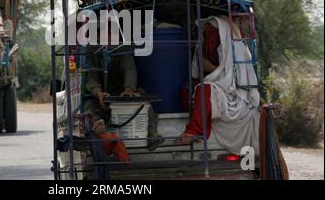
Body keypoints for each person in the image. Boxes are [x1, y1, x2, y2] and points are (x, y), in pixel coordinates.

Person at [175, 16, 260, 157]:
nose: (207, 37)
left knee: (204, 89)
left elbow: (229, 79)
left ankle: (194, 131)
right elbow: (200, 69)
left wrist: (212, 69)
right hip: (221, 86)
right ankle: (197, 124)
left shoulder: (234, 48)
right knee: (187, 89)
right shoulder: (211, 43)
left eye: (210, 33)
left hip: (234, 95)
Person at [84, 47, 164, 151]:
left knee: (142, 96)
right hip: (101, 97)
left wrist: (129, 88)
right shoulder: (91, 51)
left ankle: (152, 134)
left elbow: (129, 68)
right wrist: (98, 92)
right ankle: (99, 131)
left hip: (121, 95)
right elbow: (91, 77)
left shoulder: (122, 48)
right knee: (89, 106)